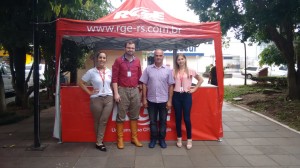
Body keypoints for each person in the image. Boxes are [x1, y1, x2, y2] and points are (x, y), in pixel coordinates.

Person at [139, 49, 175, 148]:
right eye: (156, 55)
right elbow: (144, 84)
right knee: (153, 121)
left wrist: (170, 100)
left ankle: (162, 140)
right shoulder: (148, 69)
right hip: (151, 100)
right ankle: (153, 139)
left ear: (163, 56)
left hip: (164, 101)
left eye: (160, 55)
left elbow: (171, 85)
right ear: (154, 56)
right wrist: (144, 99)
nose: (158, 57)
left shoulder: (168, 70)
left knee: (163, 121)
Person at [79, 52, 114, 152]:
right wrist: (90, 92)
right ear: (97, 59)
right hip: (96, 99)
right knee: (97, 121)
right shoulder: (91, 72)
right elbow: (81, 83)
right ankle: (99, 142)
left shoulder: (109, 71)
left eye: (104, 58)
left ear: (106, 60)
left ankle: (99, 142)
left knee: (103, 120)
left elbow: (112, 84)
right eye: (100, 57)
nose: (102, 59)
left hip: (109, 98)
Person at [112, 41, 143, 149]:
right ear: (125, 48)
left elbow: (140, 78)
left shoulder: (138, 61)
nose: (130, 49)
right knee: (121, 116)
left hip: (135, 90)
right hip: (122, 90)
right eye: (129, 48)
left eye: (132, 48)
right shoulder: (118, 61)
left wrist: (141, 92)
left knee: (134, 115)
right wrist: (116, 93)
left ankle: (134, 138)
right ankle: (120, 139)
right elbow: (114, 79)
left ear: (135, 49)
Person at [172, 53, 204, 150]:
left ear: (185, 60)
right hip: (176, 96)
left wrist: (194, 89)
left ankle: (189, 139)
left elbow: (201, 80)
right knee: (178, 118)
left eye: (182, 59)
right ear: (176, 61)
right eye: (178, 59)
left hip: (186, 96)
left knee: (186, 118)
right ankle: (179, 138)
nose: (180, 61)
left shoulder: (191, 71)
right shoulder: (173, 71)